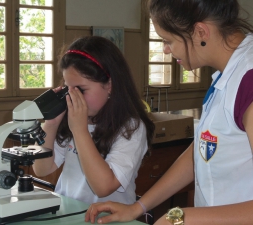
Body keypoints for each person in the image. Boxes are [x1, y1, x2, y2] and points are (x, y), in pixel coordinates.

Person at [85, 0, 253, 224]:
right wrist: (138, 207)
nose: (166, 49)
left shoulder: (248, 81)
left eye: (169, 40)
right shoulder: (226, 76)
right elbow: (202, 152)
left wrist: (182, 217)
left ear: (200, 31)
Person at [32, 36, 155, 205]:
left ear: (109, 85)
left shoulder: (131, 128)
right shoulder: (72, 119)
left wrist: (80, 131)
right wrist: (51, 124)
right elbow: (42, 169)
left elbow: (104, 187)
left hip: (106, 218)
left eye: (81, 89)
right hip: (69, 213)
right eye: (68, 88)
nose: (73, 97)